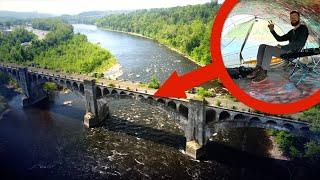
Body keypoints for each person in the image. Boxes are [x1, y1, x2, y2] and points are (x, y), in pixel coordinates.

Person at [247, 10, 309, 83]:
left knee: (269, 49)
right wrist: (272, 30)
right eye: (291, 17)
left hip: (293, 53)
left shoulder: (303, 29)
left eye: (295, 17)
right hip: (287, 51)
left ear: (299, 18)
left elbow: (299, 44)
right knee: (262, 46)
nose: (293, 18)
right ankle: (258, 68)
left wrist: (283, 47)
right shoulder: (291, 32)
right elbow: (279, 39)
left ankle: (263, 73)